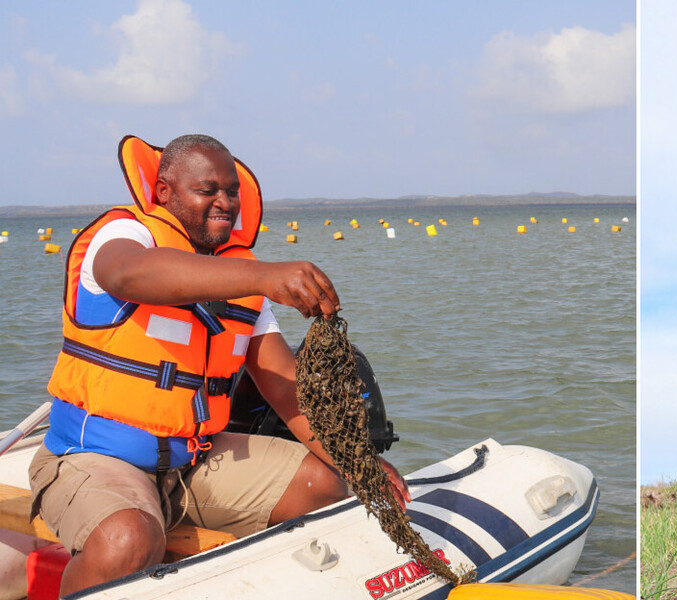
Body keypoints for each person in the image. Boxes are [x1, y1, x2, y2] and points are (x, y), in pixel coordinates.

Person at [29, 134, 408, 596]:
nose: (224, 202)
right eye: (207, 191)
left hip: (191, 458)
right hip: (94, 458)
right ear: (164, 192)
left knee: (321, 484)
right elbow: (126, 273)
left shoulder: (243, 280)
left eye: (231, 191)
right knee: (128, 539)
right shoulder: (125, 234)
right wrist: (265, 276)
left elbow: (287, 390)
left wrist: (361, 464)